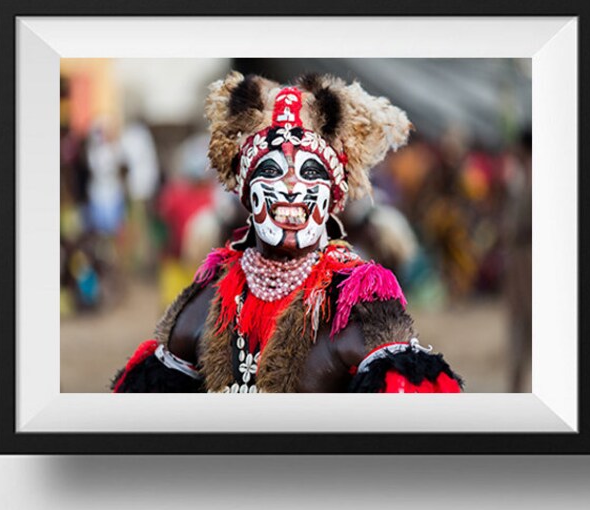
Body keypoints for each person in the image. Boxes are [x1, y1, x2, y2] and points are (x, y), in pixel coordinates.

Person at [112, 72, 463, 393]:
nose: (292, 187)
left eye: (310, 172)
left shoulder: (359, 309)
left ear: (333, 198)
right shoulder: (204, 303)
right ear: (246, 195)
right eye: (272, 170)